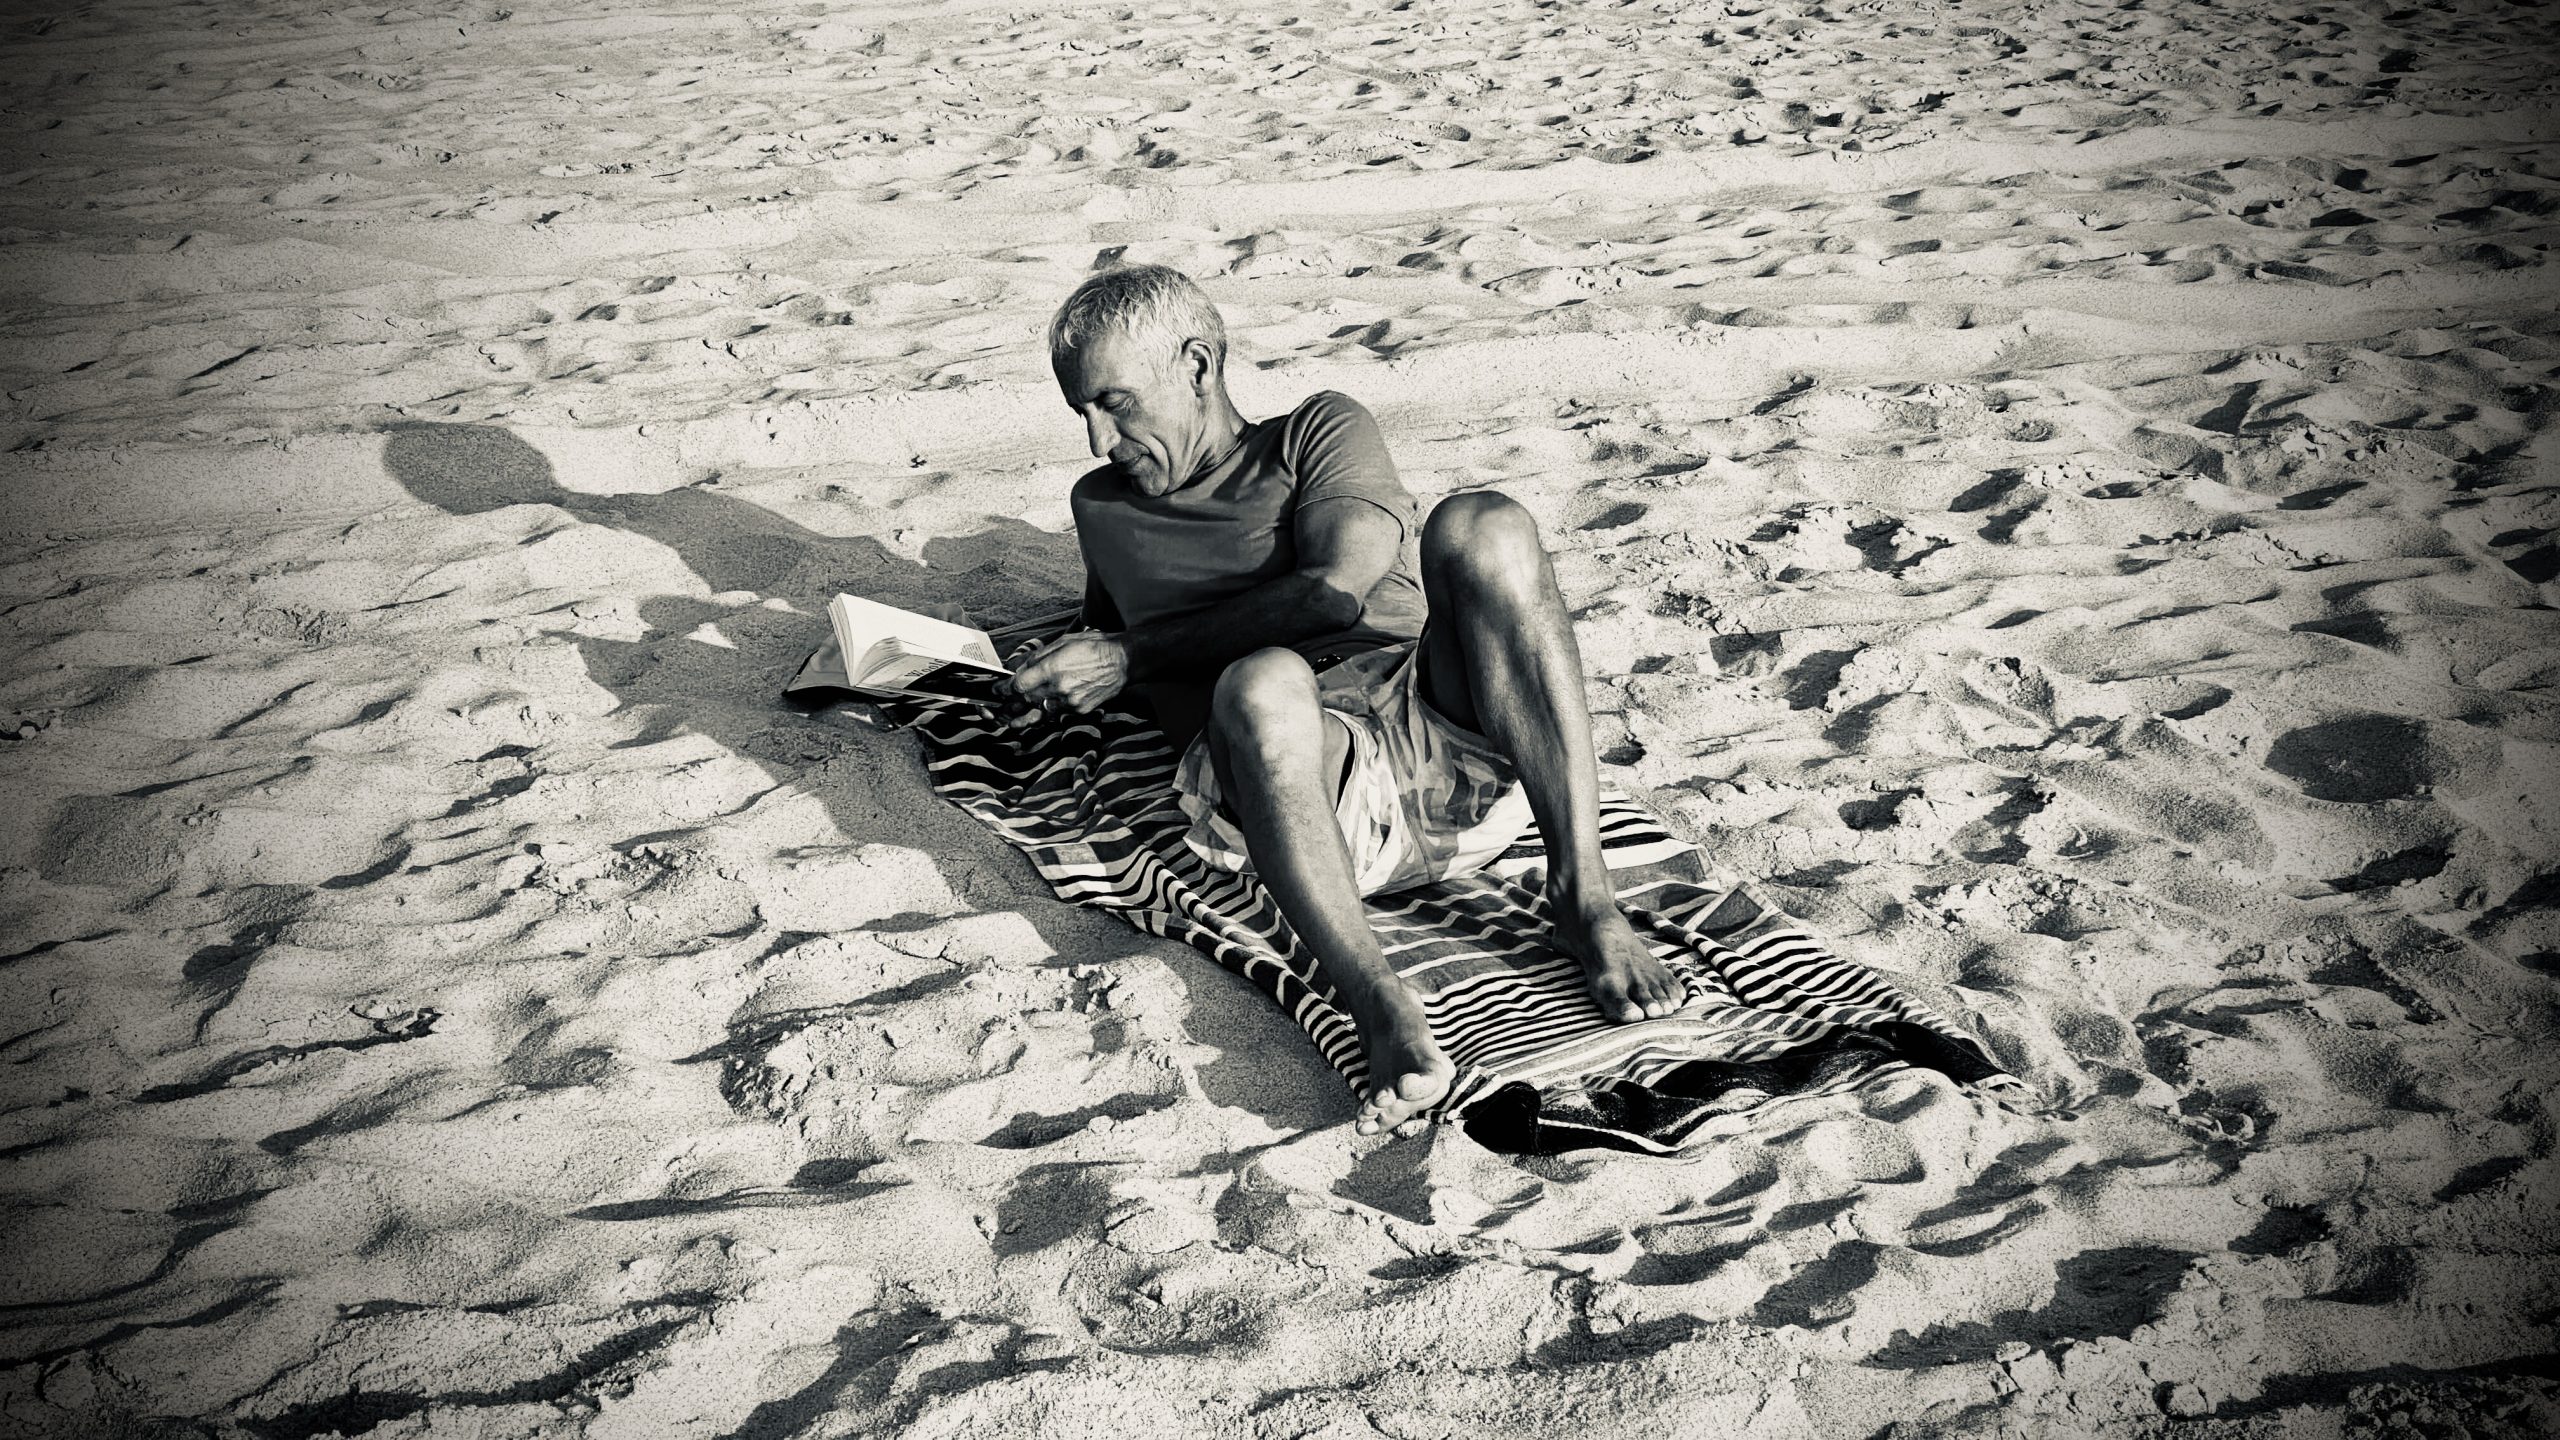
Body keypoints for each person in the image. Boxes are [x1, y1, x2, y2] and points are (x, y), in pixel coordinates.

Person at [1007, 265, 1685, 1136]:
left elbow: (1334, 590)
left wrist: (1131, 653)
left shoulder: (1315, 433)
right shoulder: (1099, 506)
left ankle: (1583, 898)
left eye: (1117, 403)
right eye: (1082, 415)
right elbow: (1104, 640)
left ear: (1200, 365)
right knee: (1260, 677)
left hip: (1446, 736)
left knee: (1487, 523)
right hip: (1304, 783)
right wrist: (1062, 674)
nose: (1101, 440)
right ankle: (1375, 994)